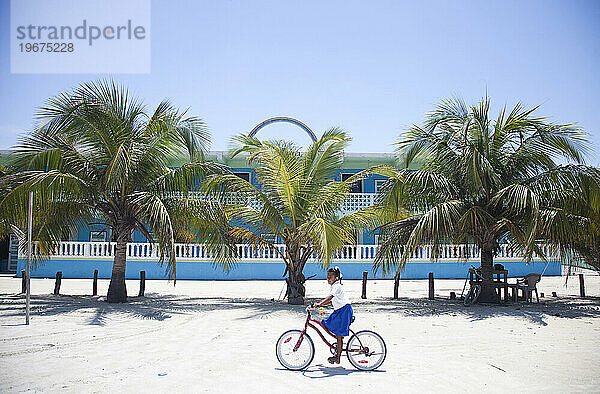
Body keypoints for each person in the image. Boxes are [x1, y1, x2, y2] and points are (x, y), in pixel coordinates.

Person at [312, 266, 353, 364]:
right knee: (325, 322)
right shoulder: (334, 285)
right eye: (327, 276)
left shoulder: (337, 286)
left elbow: (330, 297)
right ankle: (338, 346)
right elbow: (331, 301)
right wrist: (319, 304)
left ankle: (337, 357)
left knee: (339, 335)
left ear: (337, 278)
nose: (328, 278)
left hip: (344, 311)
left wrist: (320, 304)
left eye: (330, 276)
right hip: (340, 311)